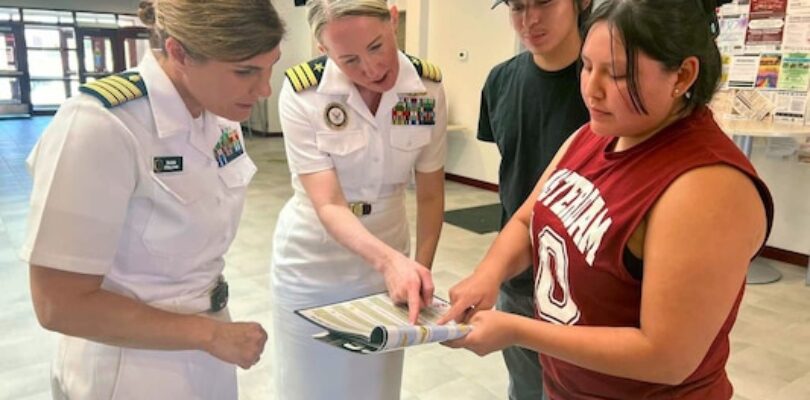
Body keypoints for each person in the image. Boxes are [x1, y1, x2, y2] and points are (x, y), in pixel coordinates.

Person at [440, 0, 772, 399]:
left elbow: (667, 356)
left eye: (615, 74)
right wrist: (487, 274)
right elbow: (528, 219)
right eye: (586, 66)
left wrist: (517, 329)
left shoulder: (707, 183)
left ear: (682, 75)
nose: (591, 90)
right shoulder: (596, 134)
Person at [20, 1, 284, 398]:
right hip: (129, 365)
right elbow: (59, 303)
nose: (264, 90)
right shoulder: (101, 126)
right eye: (245, 71)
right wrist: (208, 334)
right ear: (179, 52)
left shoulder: (220, 113)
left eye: (270, 67)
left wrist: (211, 334)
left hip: (207, 346)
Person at [270, 0, 447, 399]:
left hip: (389, 255)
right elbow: (328, 203)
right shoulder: (305, 93)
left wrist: (419, 270)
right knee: (309, 385)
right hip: (314, 263)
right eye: (349, 59)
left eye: (377, 46)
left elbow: (432, 194)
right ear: (323, 51)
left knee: (376, 387)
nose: (371, 69)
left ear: (394, 19)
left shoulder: (425, 89)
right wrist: (391, 263)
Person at [478, 1, 591, 398]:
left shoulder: (605, 87)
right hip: (520, 275)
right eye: (518, 7)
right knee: (525, 389)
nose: (529, 20)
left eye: (544, 2)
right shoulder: (500, 82)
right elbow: (517, 177)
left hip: (590, 286)